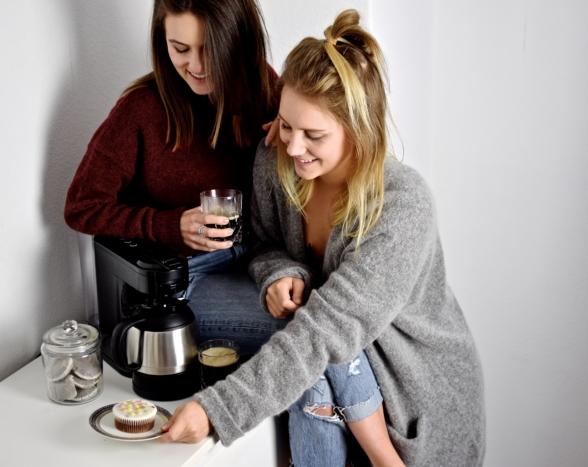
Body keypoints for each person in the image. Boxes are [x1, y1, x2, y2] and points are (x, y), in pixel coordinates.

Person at [159, 9, 486, 467]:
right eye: (287, 125)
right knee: (274, 334)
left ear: (359, 131)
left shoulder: (403, 205)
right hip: (333, 340)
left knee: (313, 347)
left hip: (411, 376)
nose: (292, 147)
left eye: (313, 135)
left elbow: (328, 330)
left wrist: (218, 412)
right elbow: (262, 243)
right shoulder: (278, 162)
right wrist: (279, 271)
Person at [63, 0, 287, 355]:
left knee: (334, 317)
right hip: (184, 280)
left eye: (210, 49)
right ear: (161, 40)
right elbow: (81, 208)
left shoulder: (264, 89)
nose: (196, 66)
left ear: (238, 39)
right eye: (180, 49)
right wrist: (168, 225)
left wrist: (291, 131)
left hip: (257, 260)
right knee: (309, 332)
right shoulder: (140, 110)